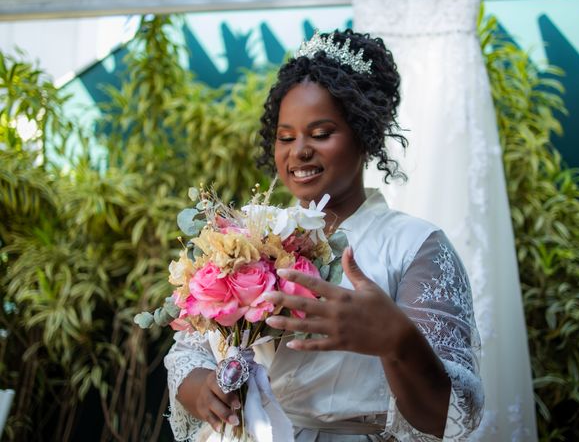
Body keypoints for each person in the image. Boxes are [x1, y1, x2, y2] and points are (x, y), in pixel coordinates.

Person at [164, 29, 483, 441]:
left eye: (320, 134)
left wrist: (396, 341)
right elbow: (186, 353)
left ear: (365, 136)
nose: (299, 151)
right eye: (286, 137)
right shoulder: (247, 235)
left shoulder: (416, 246)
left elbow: (448, 416)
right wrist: (203, 388)